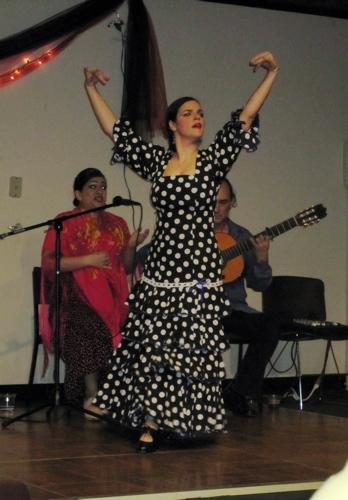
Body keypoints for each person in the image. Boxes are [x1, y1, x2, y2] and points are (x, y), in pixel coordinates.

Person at [83, 51, 279, 451]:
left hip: (199, 272)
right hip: (162, 270)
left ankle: (179, 420)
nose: (198, 116)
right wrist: (89, 87)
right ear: (172, 125)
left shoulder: (212, 162)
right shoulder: (157, 161)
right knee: (154, 346)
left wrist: (273, 73)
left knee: (189, 349)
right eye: (189, 112)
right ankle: (151, 421)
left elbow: (244, 118)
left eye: (201, 112)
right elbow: (115, 131)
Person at [40, 168, 148, 415]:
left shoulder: (118, 223)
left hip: (114, 301)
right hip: (74, 299)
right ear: (77, 194)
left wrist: (131, 246)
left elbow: (128, 267)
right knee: (87, 325)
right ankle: (92, 396)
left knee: (140, 326)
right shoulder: (64, 222)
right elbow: (50, 263)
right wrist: (88, 259)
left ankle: (122, 395)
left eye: (103, 186)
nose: (100, 191)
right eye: (92, 186)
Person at [214, 178, 279, 417]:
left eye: (222, 202)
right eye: (211, 202)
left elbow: (259, 285)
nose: (216, 208)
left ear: (232, 203)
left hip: (232, 310)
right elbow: (147, 257)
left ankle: (237, 392)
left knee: (269, 327)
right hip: (196, 311)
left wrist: (262, 257)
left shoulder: (243, 237)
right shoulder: (187, 233)